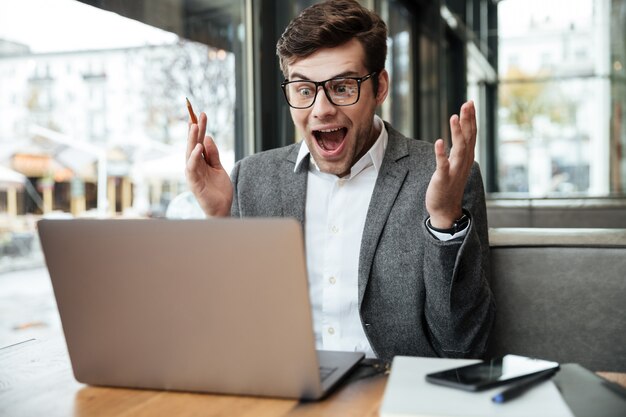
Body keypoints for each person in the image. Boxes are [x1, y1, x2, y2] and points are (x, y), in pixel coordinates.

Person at [185, 0, 494, 362]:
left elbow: (464, 345)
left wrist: (444, 220)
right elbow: (225, 335)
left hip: (392, 396)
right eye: (303, 90)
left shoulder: (444, 176)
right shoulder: (250, 179)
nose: (321, 109)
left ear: (379, 88)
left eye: (343, 87)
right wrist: (218, 221)